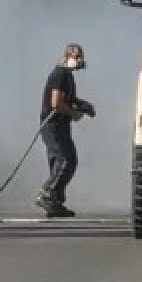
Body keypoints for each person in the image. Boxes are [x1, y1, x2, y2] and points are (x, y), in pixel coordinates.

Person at [36, 44, 94, 218]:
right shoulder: (60, 74)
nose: (79, 61)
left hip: (61, 125)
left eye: (80, 57)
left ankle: (55, 202)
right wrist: (74, 114)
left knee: (62, 161)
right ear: (68, 56)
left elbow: (68, 98)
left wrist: (84, 105)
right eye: (76, 57)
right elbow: (56, 103)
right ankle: (48, 192)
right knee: (65, 159)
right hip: (52, 125)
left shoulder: (67, 76)